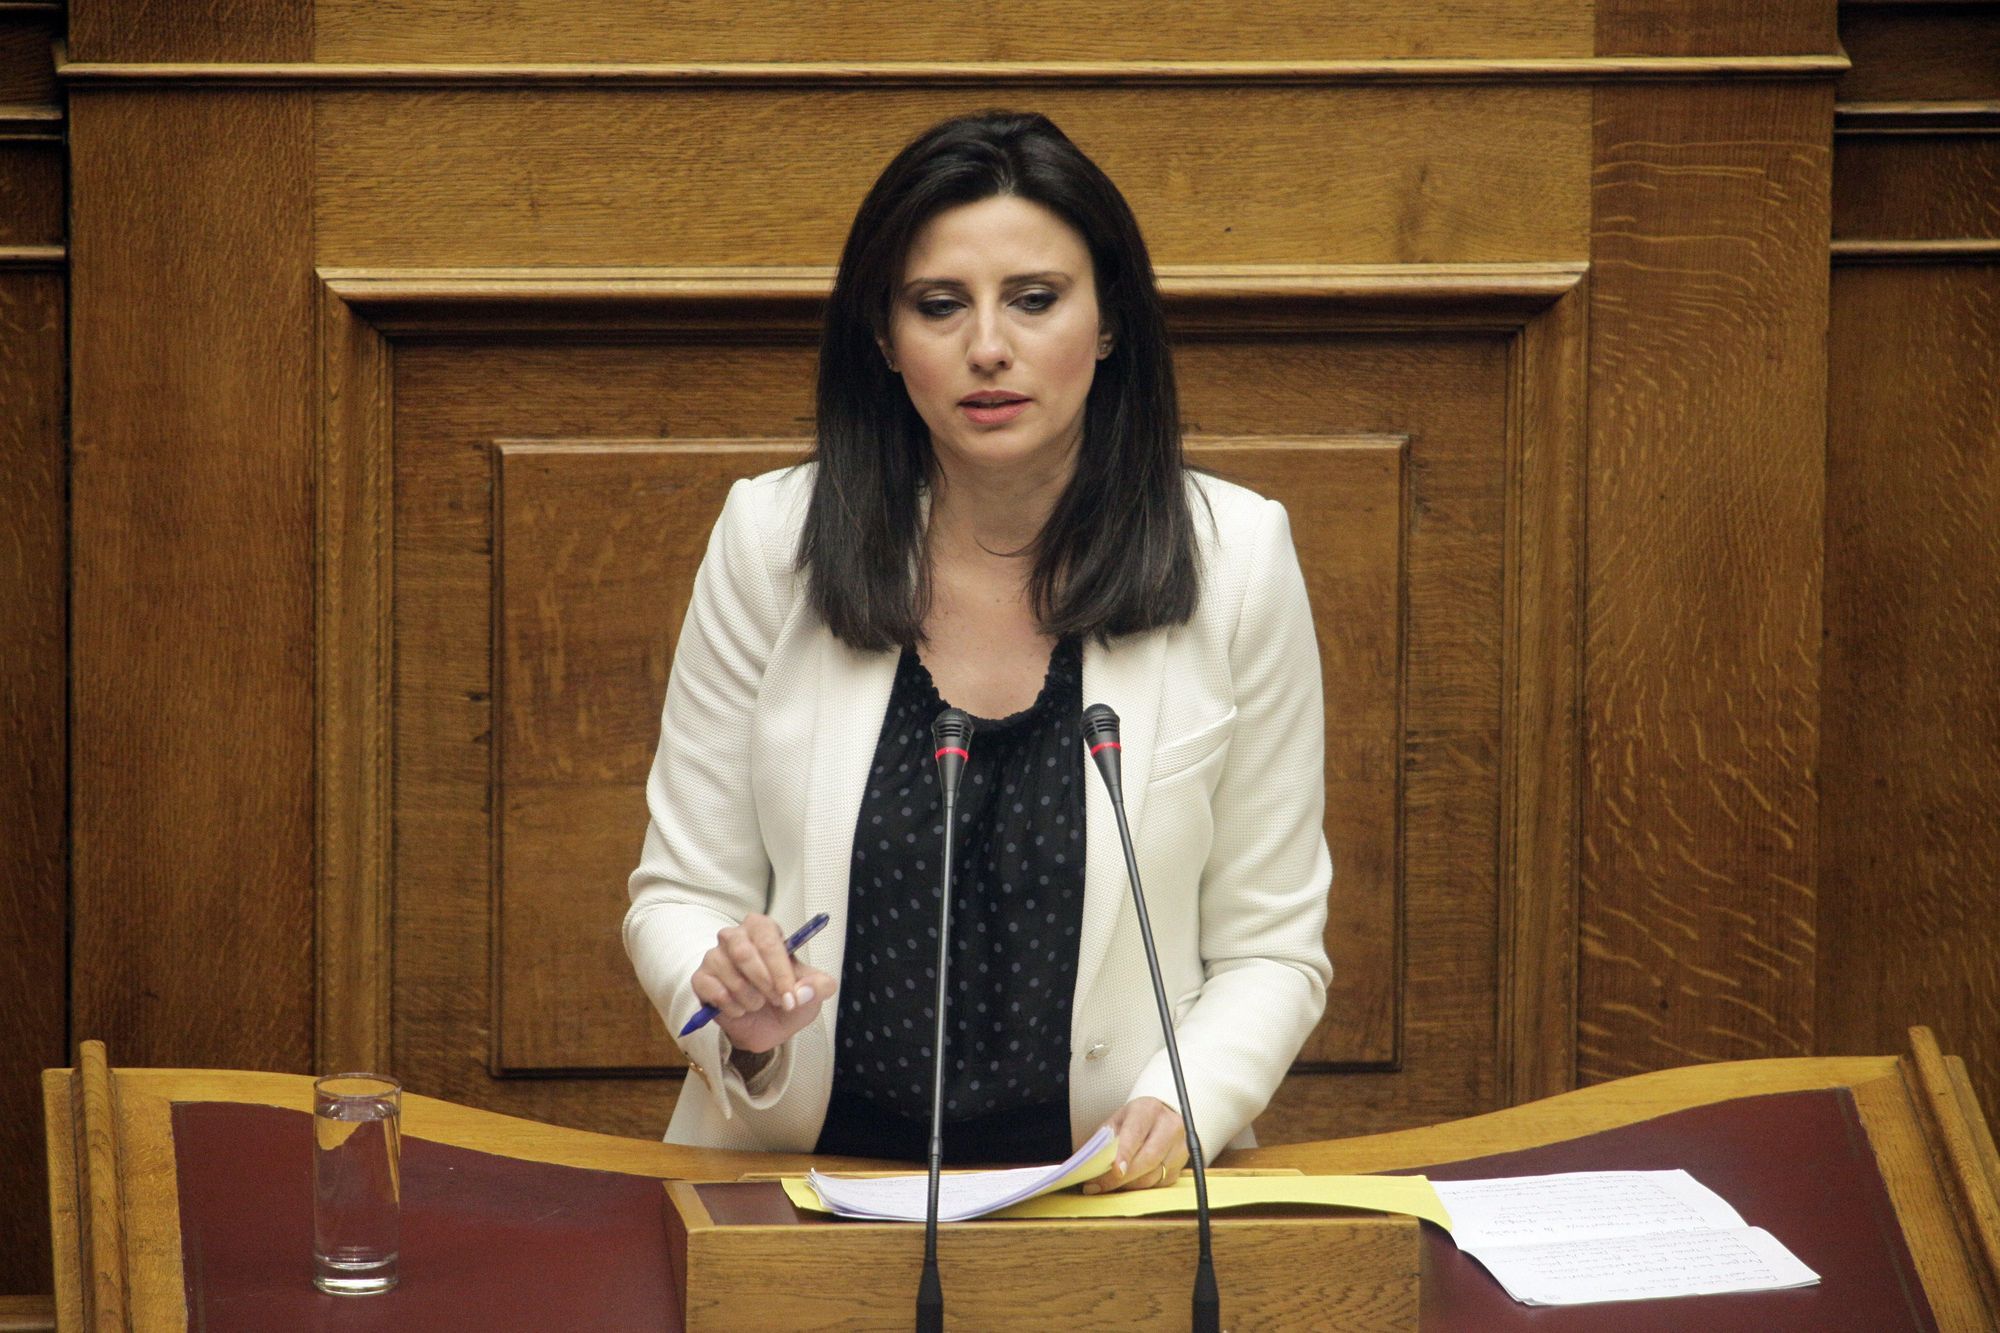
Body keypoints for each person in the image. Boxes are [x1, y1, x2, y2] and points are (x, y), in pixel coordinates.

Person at [625, 110, 1331, 1193]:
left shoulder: (1235, 557)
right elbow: (679, 895)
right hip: (805, 1186)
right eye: (939, 304)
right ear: (883, 337)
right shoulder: (773, 540)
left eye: (1034, 299)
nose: (988, 346)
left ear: (1108, 322)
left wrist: (1187, 1099)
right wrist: (741, 1015)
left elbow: (1270, 946)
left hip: (1109, 1192)